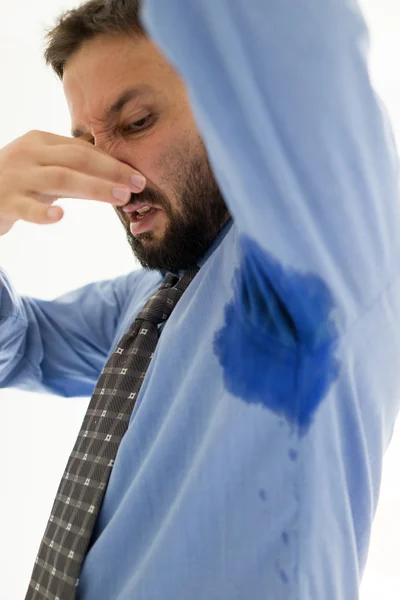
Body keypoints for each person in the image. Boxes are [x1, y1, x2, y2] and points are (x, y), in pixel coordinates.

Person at [1, 0, 400, 597]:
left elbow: (297, 42)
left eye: (136, 122)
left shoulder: (314, 251)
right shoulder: (148, 303)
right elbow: (20, 348)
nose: (107, 173)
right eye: (85, 140)